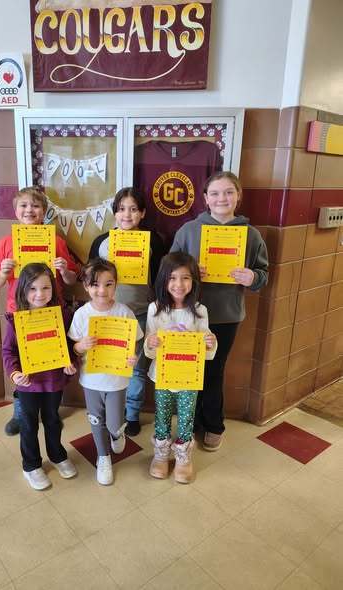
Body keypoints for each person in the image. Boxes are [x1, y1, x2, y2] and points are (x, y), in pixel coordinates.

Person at [170, 171, 268, 451]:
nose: (221, 198)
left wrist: (252, 277)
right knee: (188, 368)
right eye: (215, 193)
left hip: (225, 315)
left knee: (214, 370)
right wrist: (188, 270)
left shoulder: (251, 235)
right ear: (205, 198)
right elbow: (170, 268)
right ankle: (191, 422)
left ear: (238, 196)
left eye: (228, 192)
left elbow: (263, 274)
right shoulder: (189, 230)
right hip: (188, 313)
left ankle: (213, 424)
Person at [0, 186, 79, 436]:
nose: (29, 210)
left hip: (51, 312)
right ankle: (21, 411)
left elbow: (72, 280)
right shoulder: (6, 243)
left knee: (49, 360)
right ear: (16, 210)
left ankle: (51, 411)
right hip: (18, 313)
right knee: (23, 363)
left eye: (35, 206)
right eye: (24, 206)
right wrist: (3, 273)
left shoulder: (56, 242)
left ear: (44, 211)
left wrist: (64, 271)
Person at [89, 187, 166, 436]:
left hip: (142, 313)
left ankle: (131, 414)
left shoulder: (154, 241)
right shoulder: (102, 242)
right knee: (108, 365)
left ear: (142, 213)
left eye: (133, 209)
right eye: (121, 209)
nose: (127, 215)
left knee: (136, 369)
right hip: (108, 316)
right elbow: (90, 279)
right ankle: (111, 411)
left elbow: (160, 279)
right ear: (115, 212)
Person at [1, 262, 77, 490]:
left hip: (53, 380)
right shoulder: (16, 320)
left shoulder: (61, 316)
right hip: (29, 384)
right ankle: (31, 465)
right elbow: (8, 351)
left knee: (53, 419)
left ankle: (57, 455)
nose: (39, 294)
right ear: (23, 291)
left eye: (45, 288)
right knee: (28, 423)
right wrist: (14, 374)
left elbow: (69, 344)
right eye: (32, 289)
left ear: (53, 289)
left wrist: (71, 363)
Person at [68, 258, 143, 485]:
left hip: (117, 381)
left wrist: (134, 357)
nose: (102, 290)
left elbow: (136, 341)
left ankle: (117, 433)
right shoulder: (82, 314)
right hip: (91, 380)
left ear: (116, 284)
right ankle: (103, 457)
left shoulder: (124, 312)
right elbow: (74, 347)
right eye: (95, 284)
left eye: (108, 284)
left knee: (113, 422)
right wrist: (82, 346)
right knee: (95, 419)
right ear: (86, 286)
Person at [144, 253, 217, 483]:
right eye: (172, 278)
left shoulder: (200, 310)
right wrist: (151, 343)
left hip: (189, 377)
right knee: (162, 415)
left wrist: (210, 342)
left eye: (185, 278)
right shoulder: (154, 309)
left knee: (186, 417)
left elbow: (206, 348)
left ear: (194, 281)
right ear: (163, 280)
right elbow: (148, 348)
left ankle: (184, 457)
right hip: (163, 375)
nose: (178, 284)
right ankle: (161, 454)